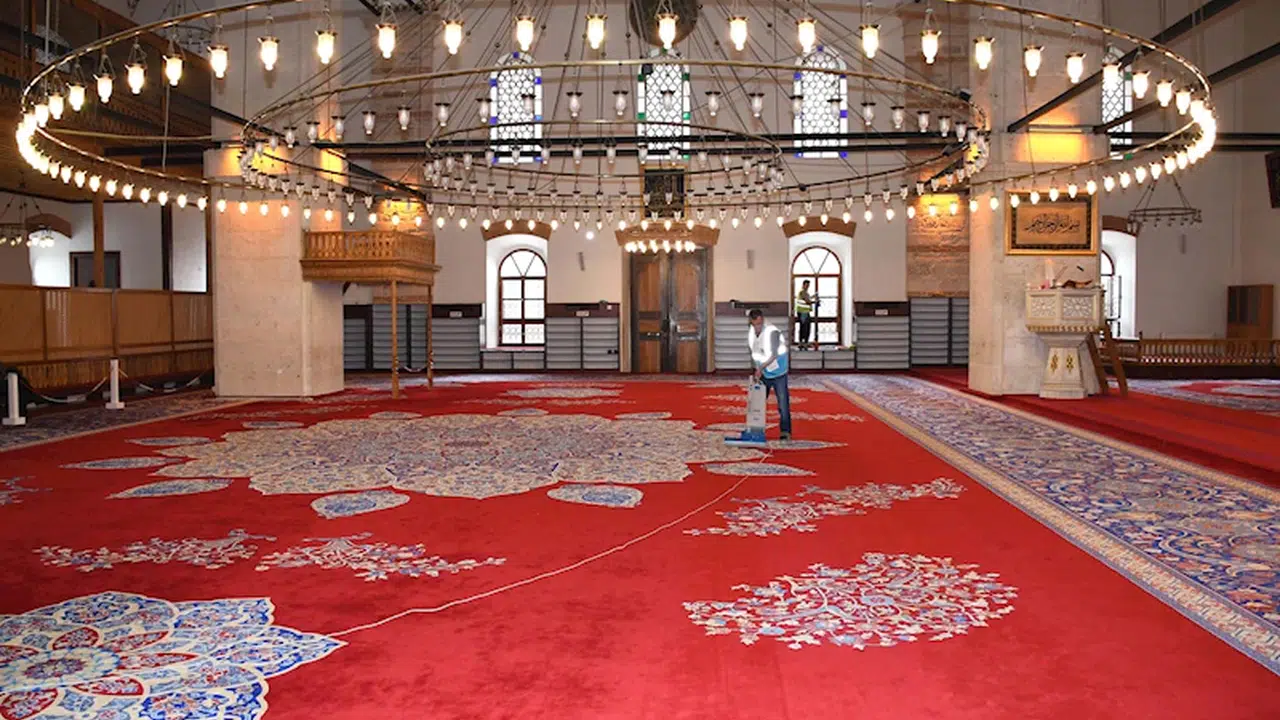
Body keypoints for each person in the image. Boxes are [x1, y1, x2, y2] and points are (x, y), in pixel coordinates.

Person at [747, 308, 792, 440]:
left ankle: (785, 432)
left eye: (759, 324)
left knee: (783, 404)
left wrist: (760, 369)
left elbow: (773, 355)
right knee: (758, 403)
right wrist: (757, 369)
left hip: (779, 372)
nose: (757, 327)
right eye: (754, 324)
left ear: (763, 320)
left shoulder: (772, 332)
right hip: (764, 372)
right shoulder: (752, 332)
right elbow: (755, 353)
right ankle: (756, 429)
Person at [795, 280, 816, 351]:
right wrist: (815, 302)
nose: (807, 287)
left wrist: (812, 297)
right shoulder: (802, 292)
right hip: (803, 312)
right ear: (803, 285)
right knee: (804, 328)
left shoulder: (805, 293)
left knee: (805, 327)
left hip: (805, 312)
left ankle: (803, 342)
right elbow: (807, 301)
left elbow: (807, 299)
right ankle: (803, 343)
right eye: (806, 285)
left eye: (808, 285)